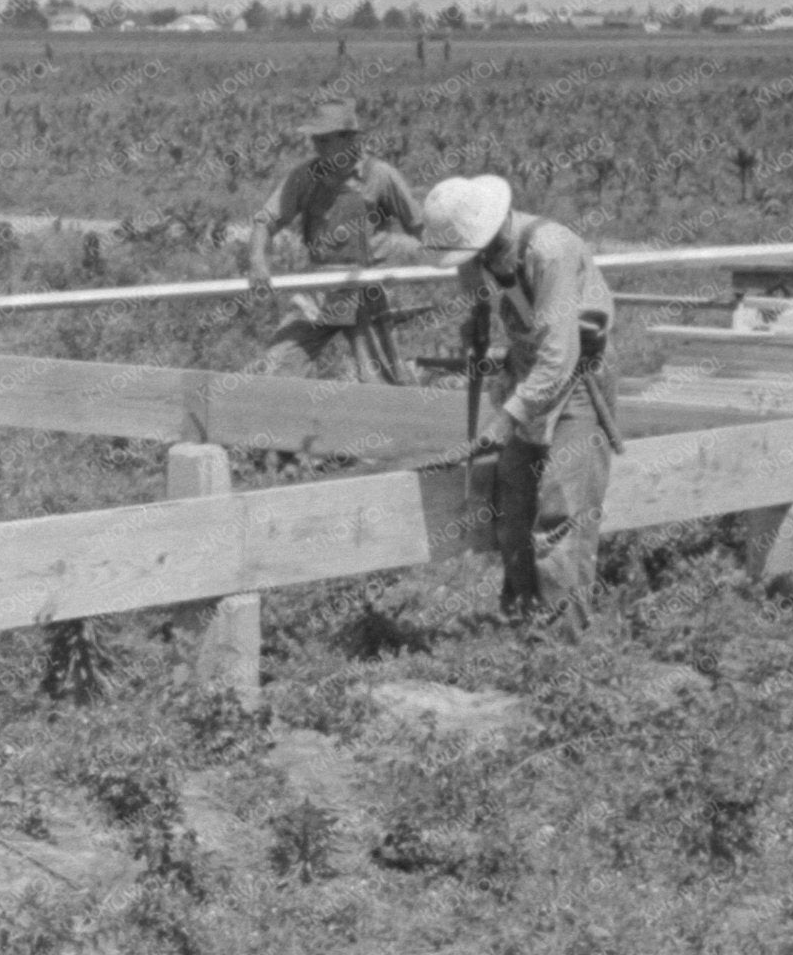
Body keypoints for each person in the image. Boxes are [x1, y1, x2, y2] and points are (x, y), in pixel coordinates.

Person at [419, 175, 619, 633]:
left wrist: (506, 418)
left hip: (578, 375)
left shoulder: (550, 250)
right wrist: (476, 322)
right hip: (531, 368)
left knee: (559, 514)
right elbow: (476, 288)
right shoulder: (480, 250)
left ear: (493, 228)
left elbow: (559, 357)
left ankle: (561, 648)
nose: (470, 262)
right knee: (513, 505)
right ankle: (521, 624)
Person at [242, 99, 424, 382]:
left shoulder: (380, 176)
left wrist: (456, 264)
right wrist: (256, 261)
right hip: (320, 286)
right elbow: (266, 220)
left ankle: (393, 422)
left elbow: (419, 225)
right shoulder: (305, 176)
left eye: (325, 140)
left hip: (367, 287)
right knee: (278, 365)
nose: (317, 146)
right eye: (315, 139)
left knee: (382, 379)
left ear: (350, 139)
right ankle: (276, 421)